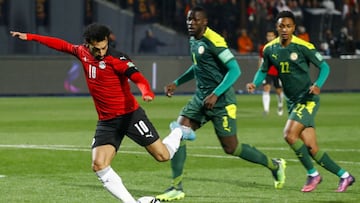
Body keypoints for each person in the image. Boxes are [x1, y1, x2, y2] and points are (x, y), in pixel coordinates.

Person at [10, 23, 195, 203]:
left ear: (107, 41)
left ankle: (178, 130)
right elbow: (60, 44)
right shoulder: (81, 52)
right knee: (99, 165)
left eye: (103, 47)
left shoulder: (117, 58)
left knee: (163, 156)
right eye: (96, 49)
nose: (101, 52)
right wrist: (30, 37)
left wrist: (146, 91)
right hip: (107, 122)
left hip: (130, 116)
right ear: (87, 43)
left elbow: (137, 77)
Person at [156, 6, 286, 202]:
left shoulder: (214, 41)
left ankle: (275, 165)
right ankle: (176, 187)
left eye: (195, 20)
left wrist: (216, 94)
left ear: (204, 22)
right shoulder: (193, 40)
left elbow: (235, 70)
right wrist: (177, 82)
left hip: (222, 101)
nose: (191, 23)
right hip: (201, 98)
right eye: (189, 19)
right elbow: (198, 65)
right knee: (178, 131)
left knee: (231, 147)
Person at [246, 11, 355, 193]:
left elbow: (324, 66)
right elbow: (263, 70)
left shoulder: (303, 46)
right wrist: (254, 82)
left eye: (288, 26)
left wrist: (318, 84)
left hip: (307, 100)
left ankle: (313, 174)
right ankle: (345, 176)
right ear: (277, 27)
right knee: (312, 148)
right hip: (292, 102)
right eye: (281, 26)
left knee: (289, 135)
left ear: (294, 28)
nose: (285, 29)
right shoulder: (270, 49)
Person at [258, 30, 284, 116]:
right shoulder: (263, 47)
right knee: (266, 88)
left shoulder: (280, 46)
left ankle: (280, 105)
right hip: (267, 71)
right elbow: (260, 59)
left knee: (278, 90)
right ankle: (266, 109)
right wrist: (260, 71)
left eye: (271, 36)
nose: (269, 37)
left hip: (278, 71)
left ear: (275, 36)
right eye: (268, 36)